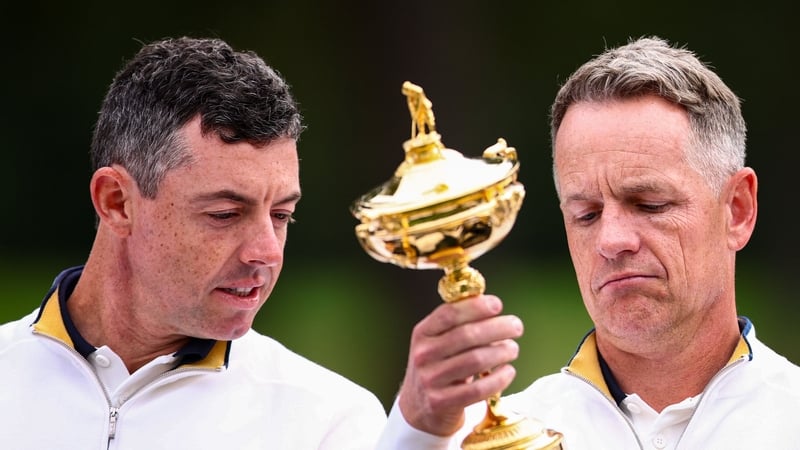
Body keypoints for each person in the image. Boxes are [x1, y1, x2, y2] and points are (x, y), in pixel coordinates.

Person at [376, 36, 800, 449]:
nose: (612, 240)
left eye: (649, 204)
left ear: (738, 210)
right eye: (587, 215)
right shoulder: (488, 437)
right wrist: (414, 434)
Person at [0, 36, 386, 449]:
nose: (267, 251)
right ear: (117, 203)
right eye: (224, 214)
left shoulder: (330, 421)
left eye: (281, 216)